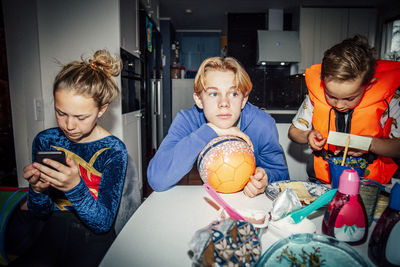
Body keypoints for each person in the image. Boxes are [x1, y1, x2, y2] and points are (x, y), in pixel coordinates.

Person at [6, 50, 132, 266]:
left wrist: (74, 186)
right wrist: (36, 190)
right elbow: (40, 212)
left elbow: (102, 223)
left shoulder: (113, 150)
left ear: (101, 110)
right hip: (51, 230)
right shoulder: (46, 141)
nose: (69, 125)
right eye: (61, 113)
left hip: (93, 237)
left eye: (81, 117)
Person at [147, 57, 289, 197]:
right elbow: (157, 179)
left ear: (244, 100)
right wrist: (210, 131)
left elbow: (282, 175)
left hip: (249, 205)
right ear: (199, 99)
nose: (224, 103)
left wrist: (266, 179)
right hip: (209, 200)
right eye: (213, 94)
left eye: (233, 94)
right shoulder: (187, 120)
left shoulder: (262, 124)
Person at [288, 35, 400, 185]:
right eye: (331, 96)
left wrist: (370, 144)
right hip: (323, 183)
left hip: (367, 185)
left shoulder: (390, 99)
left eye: (349, 98)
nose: (339, 105)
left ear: (368, 85)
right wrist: (307, 135)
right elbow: (294, 132)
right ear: (323, 82)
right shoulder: (315, 96)